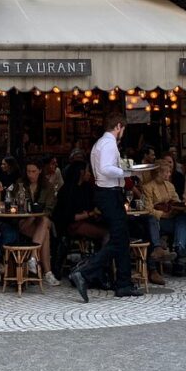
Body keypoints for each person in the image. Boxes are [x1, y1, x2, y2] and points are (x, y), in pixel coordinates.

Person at [68, 112, 144, 302]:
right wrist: (127, 171)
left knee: (122, 237)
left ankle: (123, 283)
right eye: (123, 129)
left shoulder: (99, 144)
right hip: (109, 194)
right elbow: (105, 168)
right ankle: (84, 273)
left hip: (105, 194)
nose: (123, 133)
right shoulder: (109, 143)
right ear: (118, 126)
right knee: (119, 239)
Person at [142, 158, 186, 281]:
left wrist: (181, 206)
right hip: (159, 220)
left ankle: (179, 247)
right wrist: (164, 214)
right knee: (152, 219)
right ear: (159, 173)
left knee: (183, 218)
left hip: (171, 217)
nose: (169, 174)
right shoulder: (148, 187)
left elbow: (177, 201)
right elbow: (148, 209)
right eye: (167, 172)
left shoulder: (170, 185)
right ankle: (178, 254)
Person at [15, 159, 60, 286]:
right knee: (45, 233)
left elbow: (49, 209)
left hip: (40, 221)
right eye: (28, 171)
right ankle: (47, 272)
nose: (30, 174)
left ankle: (34, 258)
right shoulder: (20, 184)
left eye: (33, 171)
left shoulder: (48, 187)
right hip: (25, 222)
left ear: (40, 171)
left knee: (45, 222)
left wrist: (35, 216)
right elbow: (15, 205)